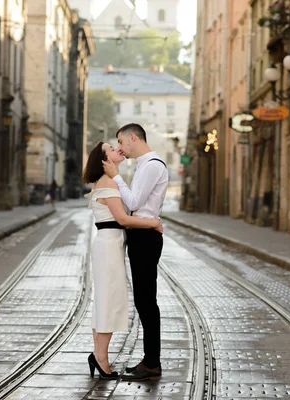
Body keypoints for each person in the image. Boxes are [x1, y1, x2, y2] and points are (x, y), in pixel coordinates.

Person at [83, 141, 163, 380]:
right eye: (111, 148)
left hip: (109, 244)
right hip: (109, 246)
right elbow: (124, 219)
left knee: (106, 300)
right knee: (109, 300)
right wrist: (153, 223)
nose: (118, 148)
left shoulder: (108, 180)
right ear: (103, 159)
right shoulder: (108, 182)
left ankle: (98, 354)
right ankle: (101, 358)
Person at [102, 123, 168, 381]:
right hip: (142, 235)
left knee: (146, 301)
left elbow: (134, 202)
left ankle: (152, 363)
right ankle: (150, 359)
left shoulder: (151, 165)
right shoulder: (144, 165)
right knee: (143, 300)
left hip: (146, 237)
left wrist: (116, 176)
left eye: (120, 141)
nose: (119, 147)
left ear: (132, 138)